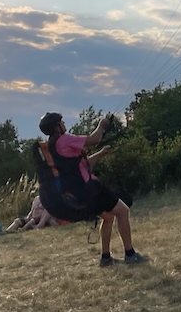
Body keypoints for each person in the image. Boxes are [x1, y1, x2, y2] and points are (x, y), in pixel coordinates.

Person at [38, 111, 147, 266]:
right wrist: (101, 126)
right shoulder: (64, 140)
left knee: (108, 218)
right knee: (123, 211)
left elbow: (82, 165)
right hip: (90, 188)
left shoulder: (53, 147)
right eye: (61, 122)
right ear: (56, 127)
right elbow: (94, 139)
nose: (64, 124)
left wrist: (100, 154)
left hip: (79, 192)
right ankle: (130, 254)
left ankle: (105, 258)